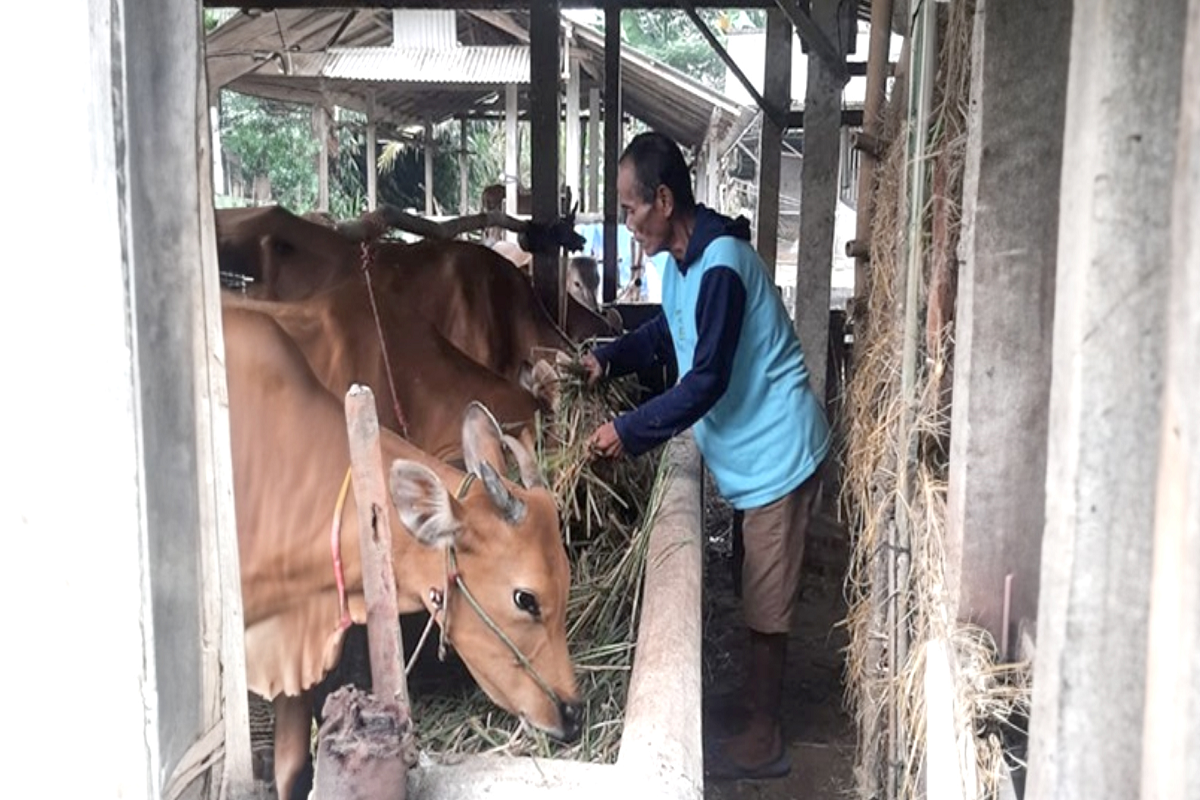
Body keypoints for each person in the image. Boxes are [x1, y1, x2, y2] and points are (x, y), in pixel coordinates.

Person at [583, 131, 830, 780]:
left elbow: (706, 379)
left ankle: (764, 735)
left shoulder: (721, 263)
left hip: (779, 455)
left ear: (664, 201)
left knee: (765, 602)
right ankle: (752, 706)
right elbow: (671, 330)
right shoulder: (682, 263)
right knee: (750, 585)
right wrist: (606, 359)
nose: (628, 222)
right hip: (750, 462)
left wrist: (629, 430)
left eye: (632, 208)